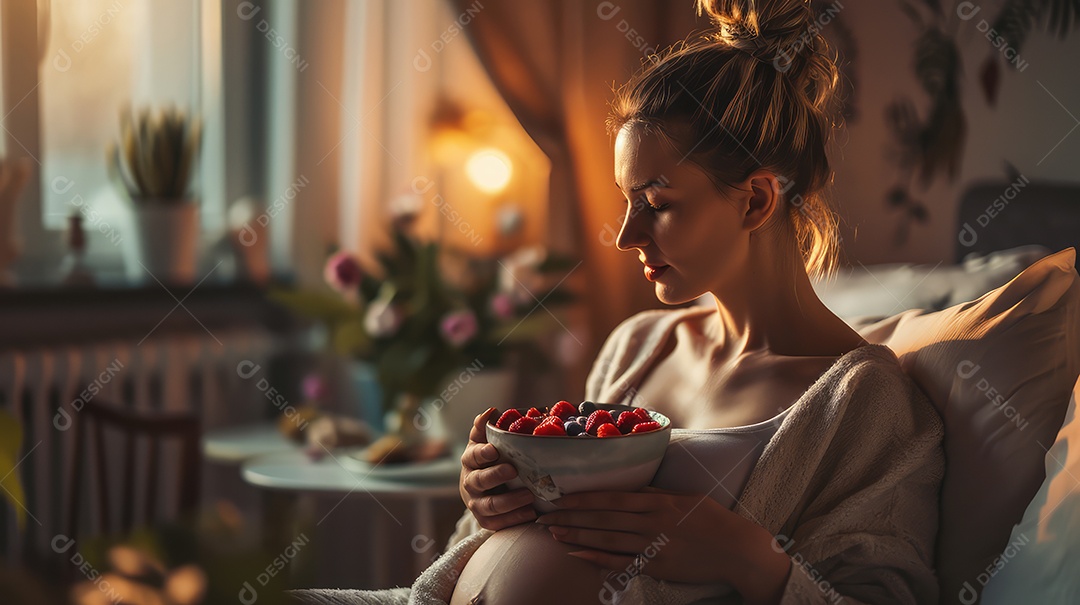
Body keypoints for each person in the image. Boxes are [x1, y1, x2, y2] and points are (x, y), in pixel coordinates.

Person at [288, 1, 944, 604]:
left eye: (657, 205)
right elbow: (516, 542)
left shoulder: (864, 403)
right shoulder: (637, 345)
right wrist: (492, 503)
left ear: (755, 200)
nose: (626, 234)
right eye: (628, 203)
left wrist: (752, 558)